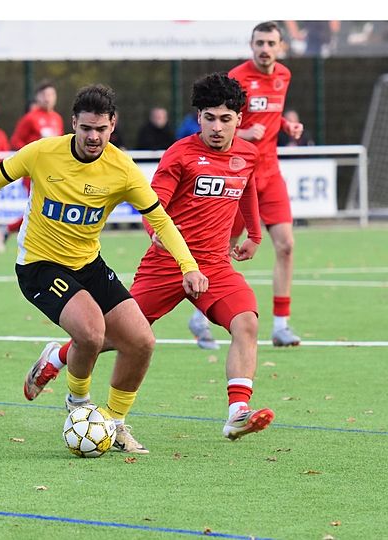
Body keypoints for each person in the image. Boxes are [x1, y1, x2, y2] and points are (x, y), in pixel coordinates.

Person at [0, 84, 208, 454]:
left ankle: (113, 422)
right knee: (91, 333)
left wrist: (188, 267)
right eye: (86, 128)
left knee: (142, 342)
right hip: (39, 264)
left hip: (89, 263)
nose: (93, 136)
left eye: (101, 129)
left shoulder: (122, 169)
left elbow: (160, 219)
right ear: (73, 124)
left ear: (112, 125)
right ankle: (78, 407)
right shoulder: (43, 153)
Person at [24, 73, 275, 441]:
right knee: (118, 338)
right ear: (199, 117)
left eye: (225, 118)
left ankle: (237, 411)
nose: (217, 127)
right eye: (209, 117)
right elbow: (152, 204)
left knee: (247, 323)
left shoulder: (247, 155)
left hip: (215, 267)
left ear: (239, 119)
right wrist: (155, 234)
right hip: (166, 266)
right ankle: (59, 356)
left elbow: (249, 188)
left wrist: (254, 234)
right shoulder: (181, 154)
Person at [190, 21, 306, 349]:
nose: (265, 49)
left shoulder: (283, 75)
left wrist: (287, 126)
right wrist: (242, 134)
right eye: (259, 43)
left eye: (271, 43)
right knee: (222, 249)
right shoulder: (237, 78)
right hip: (240, 174)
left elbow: (272, 114)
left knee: (286, 245)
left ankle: (281, 325)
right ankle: (201, 314)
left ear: (280, 46)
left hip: (271, 173)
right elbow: (218, 122)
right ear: (251, 45)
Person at [0, 80, 64, 253]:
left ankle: (8, 230)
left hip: (53, 171)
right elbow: (16, 140)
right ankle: (33, 241)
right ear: (38, 97)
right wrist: (31, 155)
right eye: (44, 95)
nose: (48, 99)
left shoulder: (57, 118)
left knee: (47, 207)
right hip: (33, 171)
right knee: (40, 207)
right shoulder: (30, 118)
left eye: (51, 95)